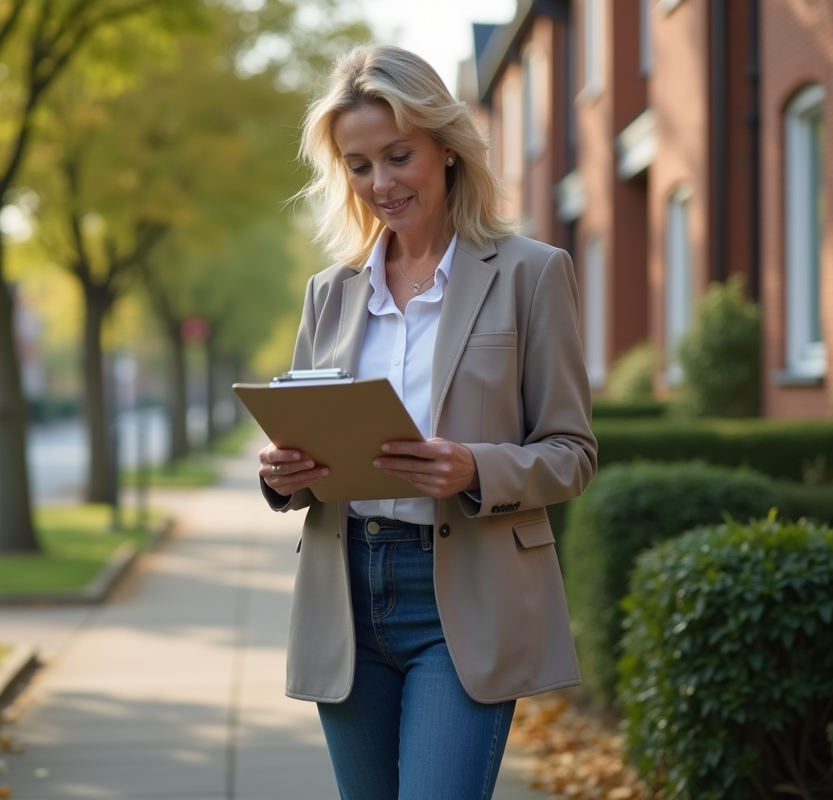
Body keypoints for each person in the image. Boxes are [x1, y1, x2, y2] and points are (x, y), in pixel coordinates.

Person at [256, 44, 598, 800]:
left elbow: (572, 451)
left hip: (464, 598)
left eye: (397, 155)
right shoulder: (330, 293)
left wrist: (478, 468)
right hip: (345, 596)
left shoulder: (530, 274)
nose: (381, 183)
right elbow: (308, 437)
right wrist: (282, 475)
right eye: (358, 165)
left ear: (446, 148)